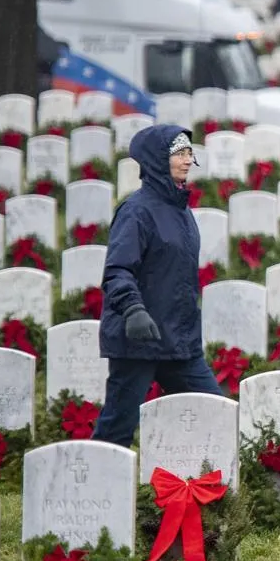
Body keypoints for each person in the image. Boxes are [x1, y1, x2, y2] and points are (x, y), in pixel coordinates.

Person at [94, 127, 223, 446]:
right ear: (156, 160)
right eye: (178, 154)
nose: (187, 160)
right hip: (138, 339)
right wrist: (133, 309)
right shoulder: (136, 211)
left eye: (189, 153)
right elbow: (118, 269)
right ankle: (88, 489)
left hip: (178, 342)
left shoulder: (182, 211)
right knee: (116, 430)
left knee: (217, 413)